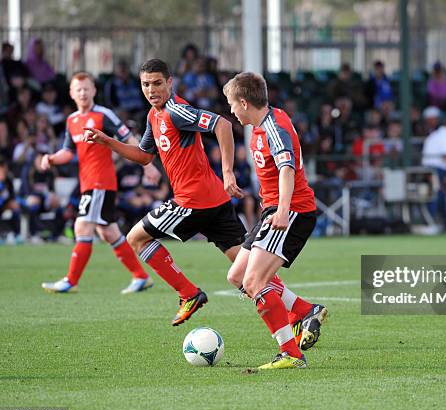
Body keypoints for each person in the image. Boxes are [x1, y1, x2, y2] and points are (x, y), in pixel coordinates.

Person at [84, 59, 320, 334]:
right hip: (215, 202)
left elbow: (221, 124)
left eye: (158, 83)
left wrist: (228, 171)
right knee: (245, 272)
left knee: (136, 238)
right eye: (146, 84)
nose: (152, 90)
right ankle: (303, 309)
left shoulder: (176, 111)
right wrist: (107, 141)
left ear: (170, 82)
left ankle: (188, 293)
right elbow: (144, 156)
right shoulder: (154, 116)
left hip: (193, 201)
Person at [223, 71, 328, 370]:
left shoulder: (274, 128)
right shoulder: (264, 123)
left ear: (244, 102)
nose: (230, 111)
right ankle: (305, 310)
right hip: (274, 209)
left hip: (291, 211)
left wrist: (282, 211)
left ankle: (291, 354)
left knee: (254, 281)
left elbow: (287, 168)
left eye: (231, 104)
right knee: (237, 277)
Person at [40, 71, 152, 294]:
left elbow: (127, 136)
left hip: (100, 182)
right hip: (88, 182)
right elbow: (67, 151)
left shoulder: (103, 115)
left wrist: (146, 164)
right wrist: (51, 159)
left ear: (94, 90)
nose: (82, 92)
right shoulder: (72, 121)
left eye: (86, 88)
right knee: (108, 232)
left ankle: (71, 281)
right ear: (72, 93)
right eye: (78, 89)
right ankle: (141, 277)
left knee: (82, 226)